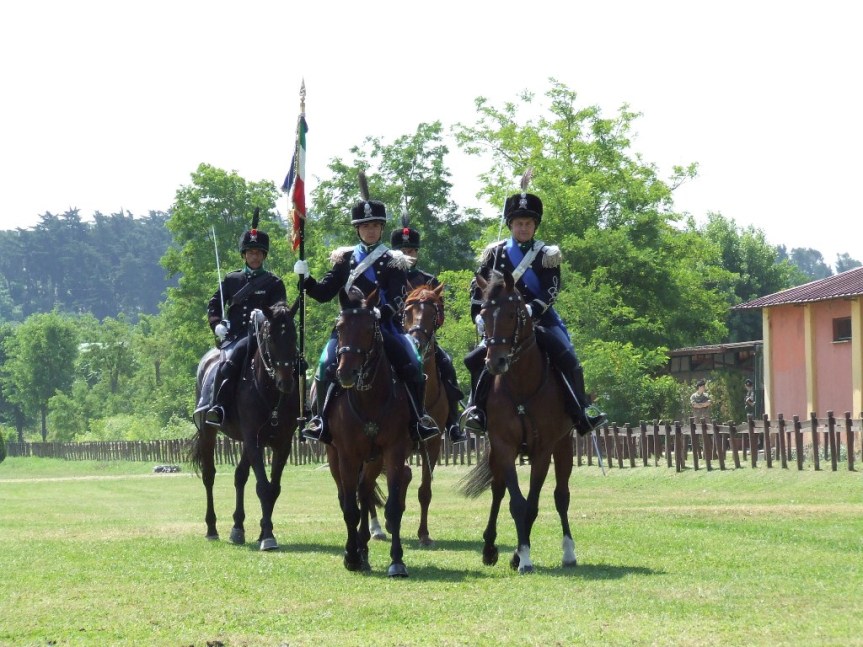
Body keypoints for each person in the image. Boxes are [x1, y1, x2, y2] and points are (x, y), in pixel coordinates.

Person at [293, 177, 439, 445]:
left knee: (414, 363)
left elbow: (398, 297)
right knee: (325, 364)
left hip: (384, 327)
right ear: (358, 229)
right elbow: (325, 293)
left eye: (375, 226)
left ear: (381, 228)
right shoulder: (345, 259)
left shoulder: (394, 260)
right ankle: (321, 421)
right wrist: (307, 280)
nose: (370, 231)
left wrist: (379, 312)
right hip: (348, 330)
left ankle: (418, 420)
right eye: (365, 226)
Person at [462, 183, 607, 436]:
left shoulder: (546, 254)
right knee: (475, 360)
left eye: (528, 224)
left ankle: (581, 411)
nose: (523, 228)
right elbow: (479, 289)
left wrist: (532, 308)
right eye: (519, 223)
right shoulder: (494, 254)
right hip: (501, 321)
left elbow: (551, 289)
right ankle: (477, 411)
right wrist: (478, 318)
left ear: (535, 226)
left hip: (540, 319)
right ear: (510, 225)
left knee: (569, 357)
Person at [390, 216, 469, 446]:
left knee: (447, 364)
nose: (409, 255)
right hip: (395, 336)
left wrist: (427, 327)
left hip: (424, 340)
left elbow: (440, 316)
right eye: (404, 250)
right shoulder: (387, 277)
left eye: (413, 250)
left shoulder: (429, 280)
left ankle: (453, 422)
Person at [205, 210, 287, 427]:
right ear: (244, 255)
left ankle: (301, 408)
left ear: (264, 255)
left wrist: (266, 315)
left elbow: (281, 308)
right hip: (237, 336)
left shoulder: (274, 282)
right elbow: (214, 304)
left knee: (295, 363)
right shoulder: (232, 279)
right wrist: (216, 325)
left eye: (259, 253)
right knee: (226, 367)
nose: (255, 257)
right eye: (250, 252)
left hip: (265, 336)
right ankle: (219, 406)